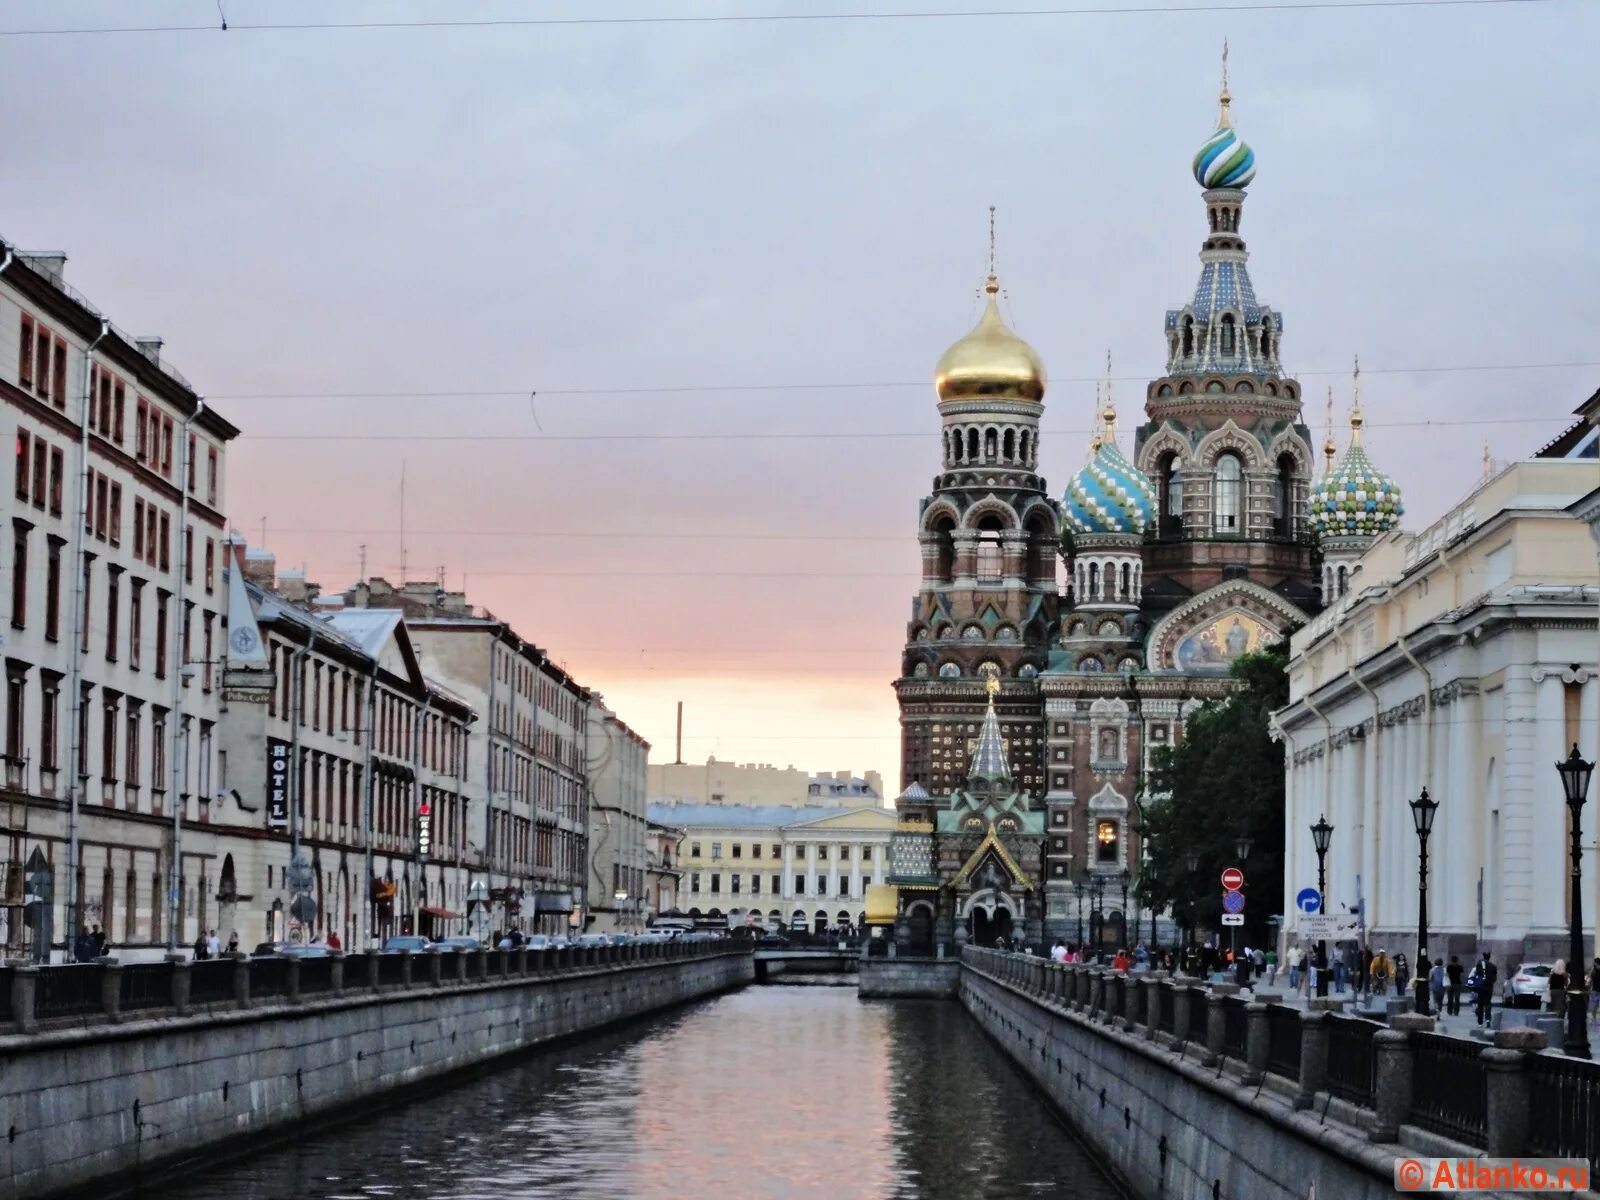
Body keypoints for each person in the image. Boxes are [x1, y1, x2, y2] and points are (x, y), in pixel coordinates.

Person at [1474, 952, 1498, 1027]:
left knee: (1480, 1004)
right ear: (1489, 957)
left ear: (1483, 957)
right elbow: (1495, 978)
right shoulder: (1493, 966)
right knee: (1488, 1003)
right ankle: (1488, 1019)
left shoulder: (1479, 964)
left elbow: (1477, 976)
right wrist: (1491, 982)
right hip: (1489, 987)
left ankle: (1480, 1022)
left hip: (1481, 987)